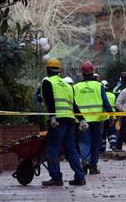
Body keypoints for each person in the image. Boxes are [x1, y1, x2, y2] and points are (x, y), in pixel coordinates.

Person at [40, 58, 86, 186]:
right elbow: (73, 104)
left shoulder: (47, 81)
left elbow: (50, 101)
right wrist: (81, 119)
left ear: (48, 69)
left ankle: (56, 177)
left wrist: (53, 117)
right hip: (70, 120)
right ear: (59, 70)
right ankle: (80, 177)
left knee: (53, 148)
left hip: (57, 122)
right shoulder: (67, 85)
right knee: (71, 149)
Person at [74, 61, 113, 174]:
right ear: (93, 72)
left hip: (82, 120)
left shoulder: (76, 87)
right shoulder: (98, 85)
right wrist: (111, 114)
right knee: (96, 142)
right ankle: (93, 166)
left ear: (82, 73)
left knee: (84, 141)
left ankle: (85, 160)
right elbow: (105, 101)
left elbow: (73, 102)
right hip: (97, 119)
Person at [100, 80, 117, 152]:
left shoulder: (100, 95)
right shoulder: (112, 95)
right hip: (112, 117)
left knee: (103, 133)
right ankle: (113, 145)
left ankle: (102, 147)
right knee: (112, 132)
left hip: (103, 118)